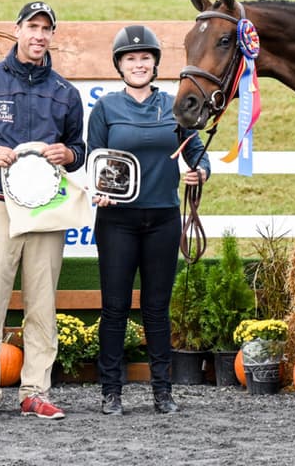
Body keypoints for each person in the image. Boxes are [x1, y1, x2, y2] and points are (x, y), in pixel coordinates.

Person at [0, 0, 87, 421]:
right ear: (17, 29)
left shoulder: (65, 93)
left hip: (46, 211)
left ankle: (35, 391)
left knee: (42, 303)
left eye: (46, 28)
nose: (39, 35)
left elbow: (78, 149)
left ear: (52, 35)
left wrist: (69, 154)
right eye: (32, 26)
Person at [88, 25, 209, 416]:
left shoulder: (174, 106)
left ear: (155, 63)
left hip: (162, 218)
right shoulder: (106, 108)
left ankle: (162, 390)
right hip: (117, 220)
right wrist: (99, 190)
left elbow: (197, 152)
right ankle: (111, 391)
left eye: (145, 58)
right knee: (115, 307)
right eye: (130, 58)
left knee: (157, 308)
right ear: (119, 65)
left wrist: (199, 172)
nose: (138, 64)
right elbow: (94, 160)